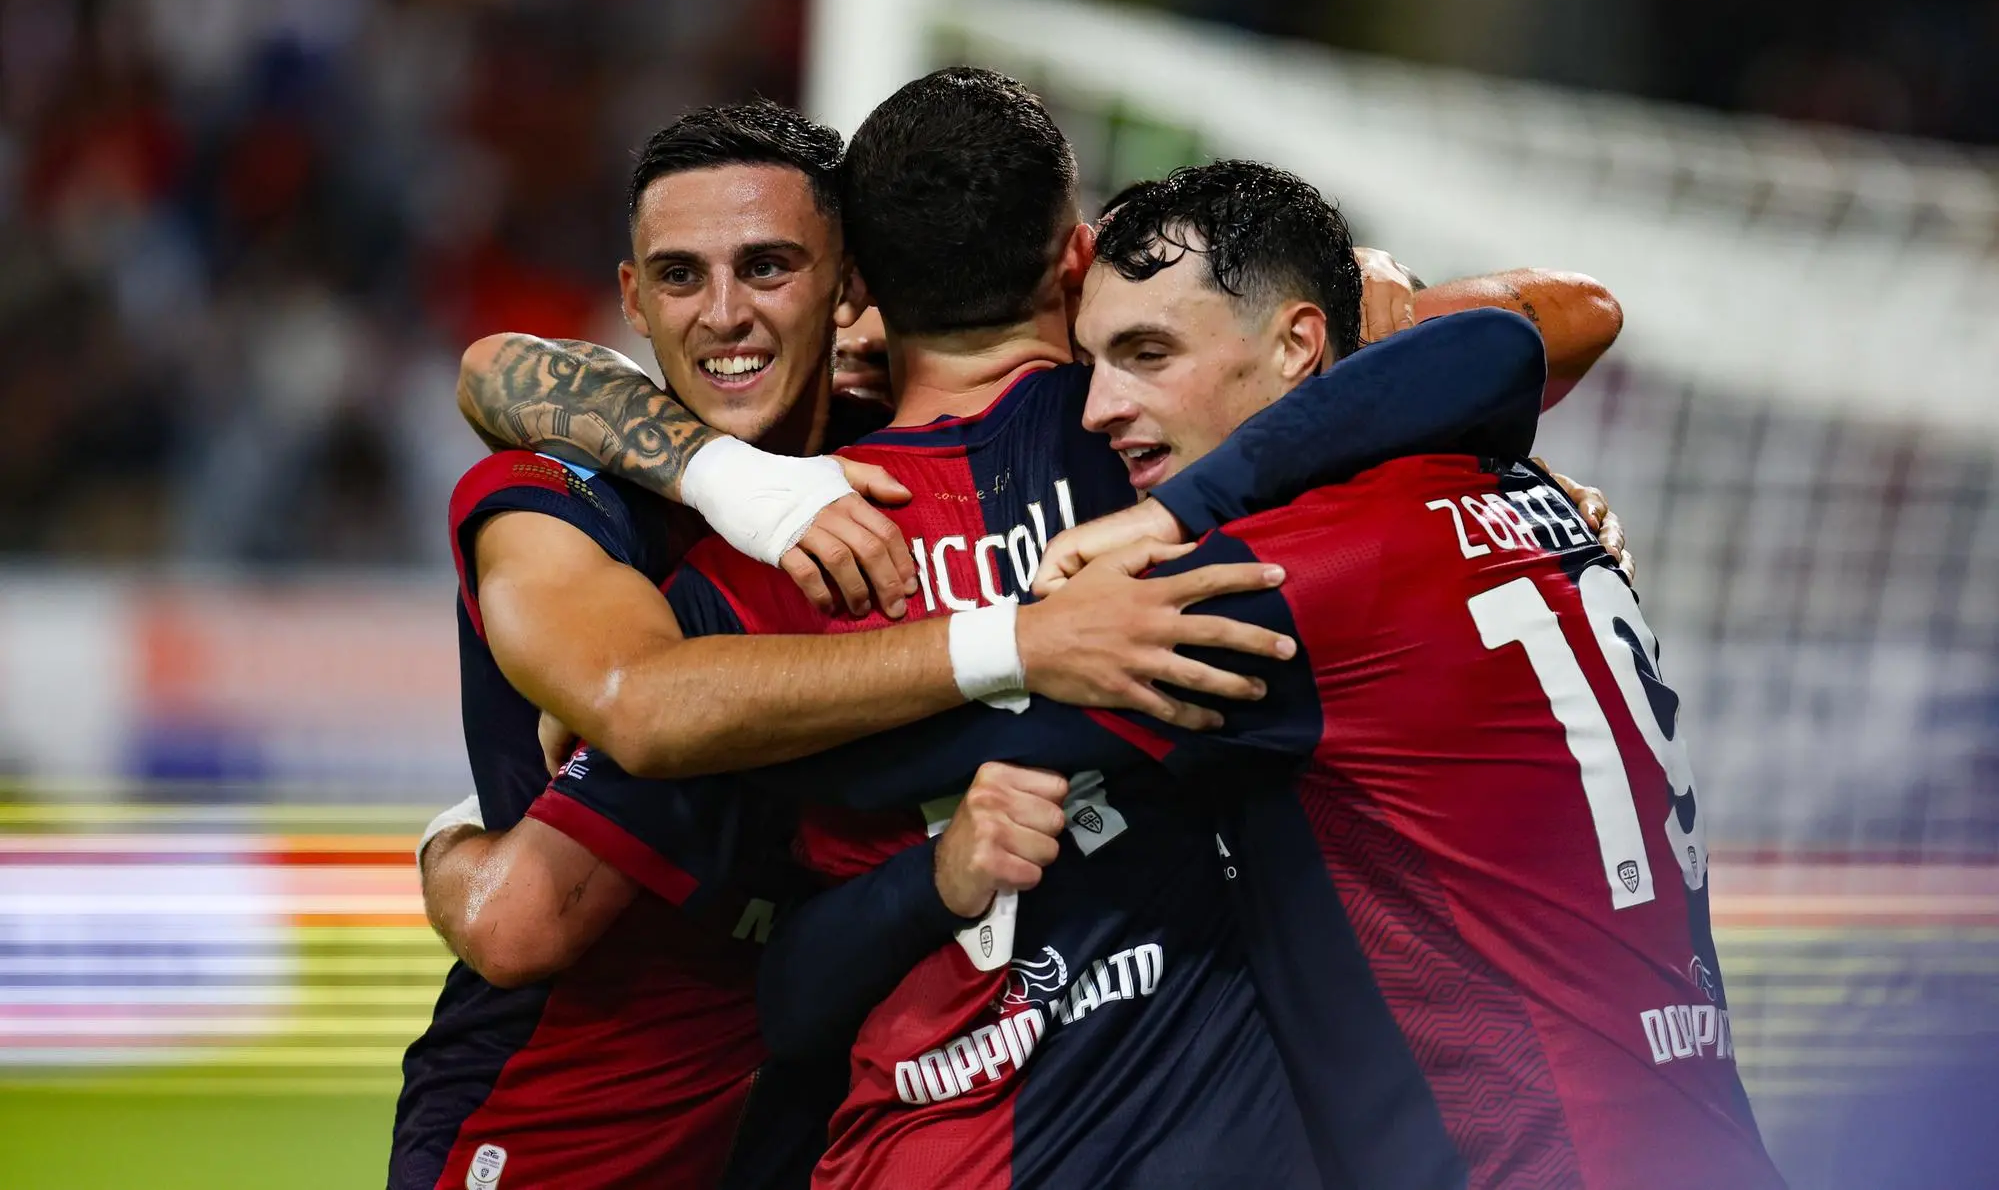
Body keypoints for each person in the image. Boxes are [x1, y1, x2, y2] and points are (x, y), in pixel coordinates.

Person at [492, 69, 1625, 1187]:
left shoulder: (752, 579)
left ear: (856, 290)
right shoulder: (1192, 442)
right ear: (1077, 255)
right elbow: (1566, 317)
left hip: (922, 1145)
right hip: (1230, 1130)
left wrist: (482, 813)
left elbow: (539, 910)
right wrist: (1453, 450)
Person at [391, 101, 1297, 1190]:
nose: (724, 314)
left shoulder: (893, 455)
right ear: (631, 298)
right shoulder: (558, 496)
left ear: (849, 286)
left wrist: (1342, 288)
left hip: (816, 1089)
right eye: (680, 277)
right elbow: (531, 894)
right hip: (572, 1112)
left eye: (768, 267)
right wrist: (450, 836)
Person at [856, 159, 1784, 1189]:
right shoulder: (1520, 489)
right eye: (1092, 363)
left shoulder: (1280, 584)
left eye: (1148, 354)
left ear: (1300, 344)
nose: (1095, 408)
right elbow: (1505, 341)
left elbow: (893, 761)